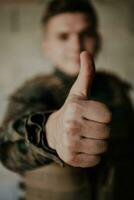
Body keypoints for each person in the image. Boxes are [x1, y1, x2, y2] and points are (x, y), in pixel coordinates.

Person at [0, 0, 134, 199]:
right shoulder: (34, 91)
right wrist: (49, 133)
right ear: (46, 46)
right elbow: (6, 150)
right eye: (63, 36)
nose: (76, 45)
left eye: (85, 34)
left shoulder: (115, 87)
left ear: (97, 39)